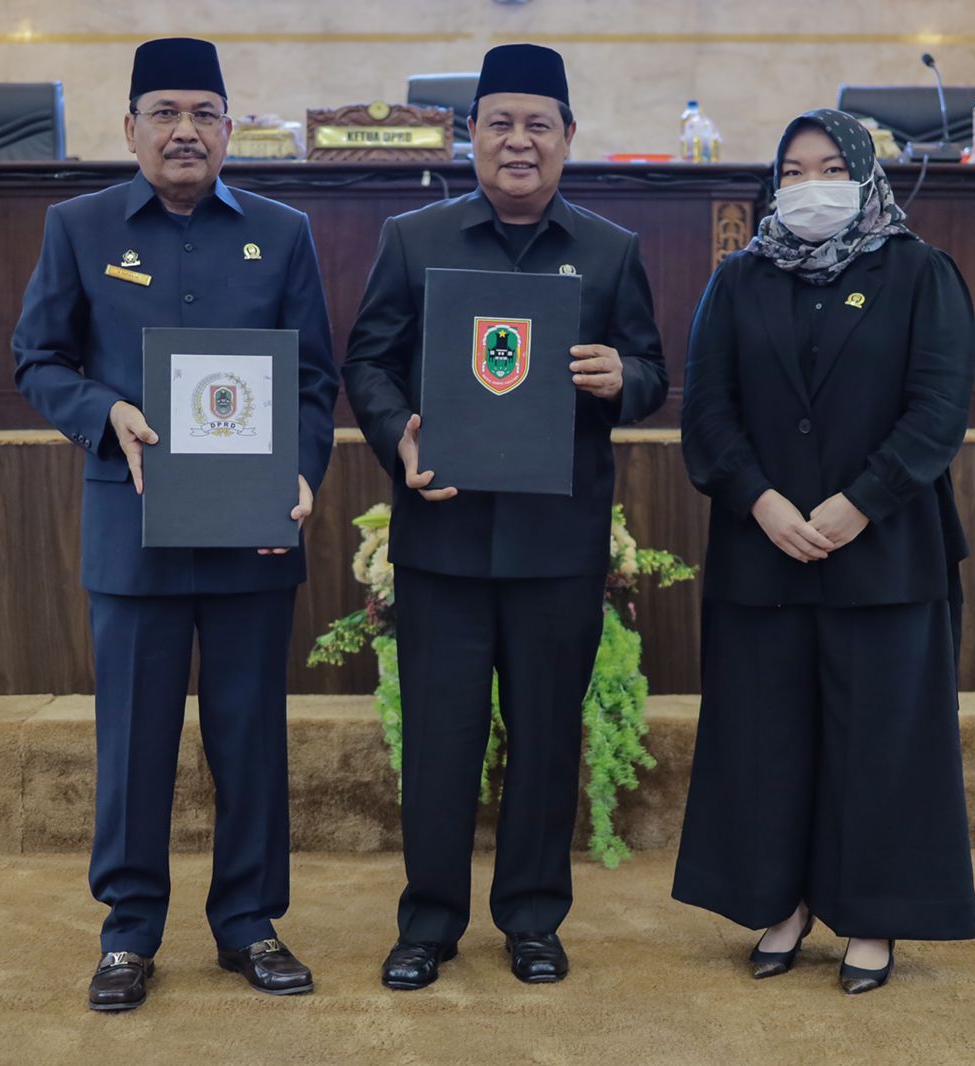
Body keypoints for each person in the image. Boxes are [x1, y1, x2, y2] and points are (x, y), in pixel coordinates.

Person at [11, 37, 338, 1011]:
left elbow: (312, 379)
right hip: (133, 529)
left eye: (203, 112)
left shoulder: (282, 232)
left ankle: (249, 923)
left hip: (252, 529)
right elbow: (38, 359)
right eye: (164, 112)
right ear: (130, 128)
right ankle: (127, 934)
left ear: (231, 127)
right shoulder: (78, 227)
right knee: (133, 742)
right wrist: (104, 413)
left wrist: (301, 471)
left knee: (250, 739)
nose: (184, 129)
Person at [343, 43, 667, 990]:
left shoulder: (611, 250)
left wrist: (623, 376)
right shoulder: (414, 238)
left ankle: (531, 918)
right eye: (500, 124)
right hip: (442, 535)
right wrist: (397, 434)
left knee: (546, 740)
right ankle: (428, 924)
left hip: (557, 543)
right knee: (440, 743)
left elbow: (654, 371)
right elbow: (368, 360)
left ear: (568, 137)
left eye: (538, 125)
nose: (518, 141)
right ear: (471, 135)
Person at [671, 108, 975, 995]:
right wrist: (761, 501)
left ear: (864, 174)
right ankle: (782, 902)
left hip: (885, 553)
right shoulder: (737, 279)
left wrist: (859, 505)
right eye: (793, 172)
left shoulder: (919, 272)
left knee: (881, 742)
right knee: (765, 739)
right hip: (762, 550)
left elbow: (938, 409)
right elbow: (708, 410)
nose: (810, 187)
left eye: (829, 168)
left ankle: (873, 914)